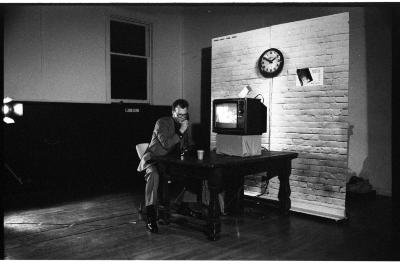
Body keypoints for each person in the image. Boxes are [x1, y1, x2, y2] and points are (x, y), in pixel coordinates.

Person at [137, 99, 194, 233]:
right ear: (173, 112)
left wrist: (189, 148)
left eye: (184, 115)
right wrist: (180, 131)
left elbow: (187, 144)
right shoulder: (162, 122)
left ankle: (181, 206)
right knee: (154, 175)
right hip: (154, 159)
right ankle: (151, 216)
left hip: (171, 162)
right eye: (179, 115)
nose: (182, 118)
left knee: (192, 173)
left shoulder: (184, 124)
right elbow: (166, 144)